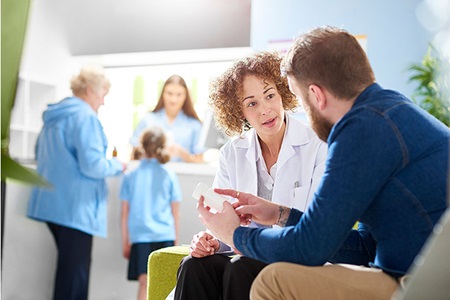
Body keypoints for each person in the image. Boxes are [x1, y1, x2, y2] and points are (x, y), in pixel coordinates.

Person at [197, 26, 450, 300]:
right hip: (415, 271)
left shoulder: (361, 129)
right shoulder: (389, 111)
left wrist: (235, 235)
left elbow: (310, 247)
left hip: (422, 283)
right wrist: (280, 214)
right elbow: (363, 248)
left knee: (272, 280)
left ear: (316, 95)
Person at [174, 51, 327, 299]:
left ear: (282, 94)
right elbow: (224, 223)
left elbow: (314, 226)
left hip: (293, 261)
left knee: (241, 266)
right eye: (252, 103)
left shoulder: (317, 146)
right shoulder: (231, 153)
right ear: (239, 111)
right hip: (246, 253)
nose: (265, 110)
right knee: (194, 265)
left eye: (270, 96)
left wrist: (245, 240)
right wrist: (212, 240)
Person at [27, 66, 125, 300]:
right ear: (90, 90)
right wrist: (118, 165)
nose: (102, 102)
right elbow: (93, 166)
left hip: (52, 206)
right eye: (102, 95)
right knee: (75, 278)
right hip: (75, 209)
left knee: (68, 274)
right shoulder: (85, 117)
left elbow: (38, 151)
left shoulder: (55, 115)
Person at [120, 126, 182, 300]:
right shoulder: (168, 175)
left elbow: (124, 213)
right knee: (165, 285)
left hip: (140, 237)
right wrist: (175, 239)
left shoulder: (130, 176)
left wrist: (126, 241)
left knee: (144, 283)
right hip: (165, 235)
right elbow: (175, 213)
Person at [130, 74, 204, 162]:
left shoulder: (194, 125)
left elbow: (200, 160)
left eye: (179, 94)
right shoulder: (148, 120)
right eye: (169, 93)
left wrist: (182, 153)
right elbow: (133, 155)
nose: (173, 100)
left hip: (183, 175)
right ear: (163, 94)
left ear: (185, 96)